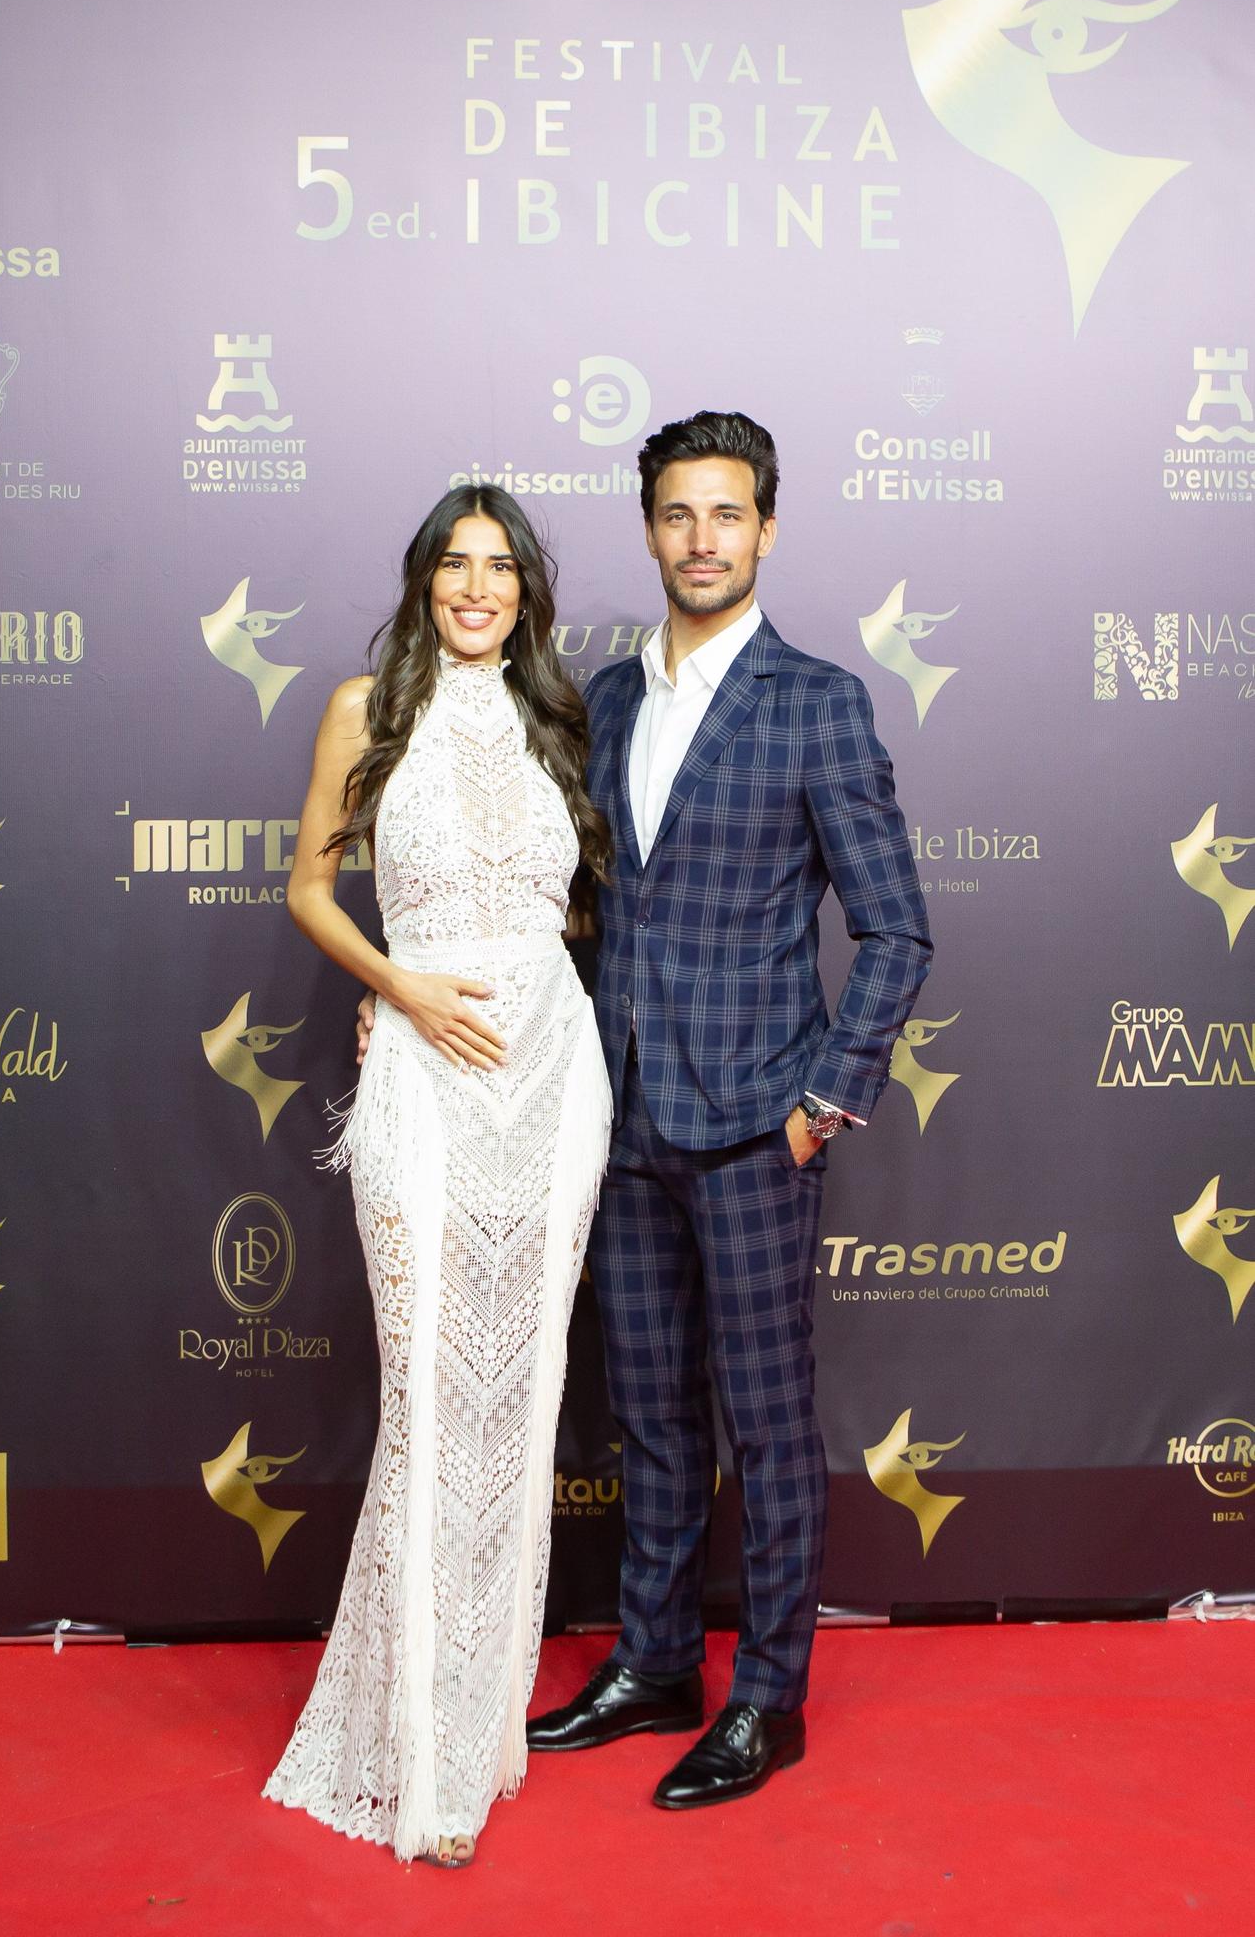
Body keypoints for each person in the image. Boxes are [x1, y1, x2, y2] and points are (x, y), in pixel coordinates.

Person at [522, 411, 932, 1808]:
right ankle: (651, 1664)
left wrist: (827, 1094)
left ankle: (766, 1695)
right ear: (649, 528)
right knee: (646, 1414)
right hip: (621, 1118)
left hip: (759, 1117)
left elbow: (896, 931)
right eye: (677, 515)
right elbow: (583, 912)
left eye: (726, 514)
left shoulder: (818, 700)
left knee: (763, 1422)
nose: (700, 539)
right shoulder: (606, 699)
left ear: (765, 529)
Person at [265, 484, 612, 1868]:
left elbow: (573, 902)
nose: (477, 588)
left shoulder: (558, 715)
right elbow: (307, 887)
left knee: (516, 1402)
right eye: (454, 565)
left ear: (528, 588)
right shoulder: (364, 708)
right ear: (422, 580)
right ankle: (409, 1753)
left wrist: (529, 985)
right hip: (422, 1072)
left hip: (550, 1079)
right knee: (425, 1398)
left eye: (500, 567)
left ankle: (476, 1730)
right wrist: (396, 985)